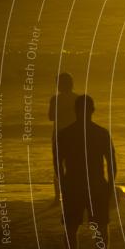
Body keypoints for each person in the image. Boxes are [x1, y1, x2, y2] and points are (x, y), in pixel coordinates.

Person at [56, 95, 116, 249]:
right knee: (101, 226)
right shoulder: (101, 133)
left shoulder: (65, 133)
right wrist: (110, 186)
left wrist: (63, 183)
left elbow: (57, 162)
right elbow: (112, 162)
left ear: (75, 110)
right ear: (93, 110)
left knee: (71, 227)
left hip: (73, 183)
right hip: (96, 184)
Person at [48, 73, 78, 205]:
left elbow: (51, 117)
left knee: (58, 166)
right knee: (73, 165)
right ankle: (71, 194)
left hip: (60, 135)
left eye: (58, 83)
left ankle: (58, 196)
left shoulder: (55, 99)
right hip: (74, 136)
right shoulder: (78, 98)